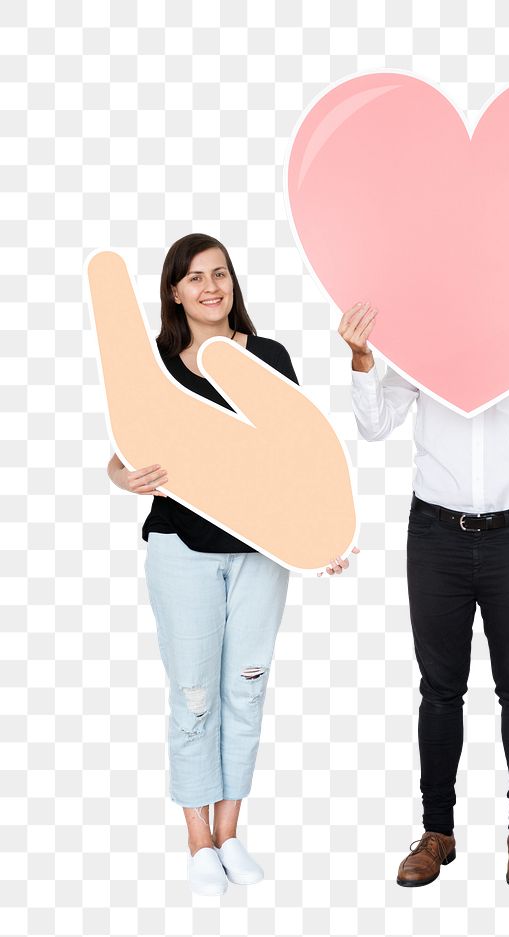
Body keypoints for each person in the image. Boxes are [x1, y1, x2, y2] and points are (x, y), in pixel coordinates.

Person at [106, 233, 351, 896]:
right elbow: (123, 448)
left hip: (261, 553)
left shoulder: (268, 357)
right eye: (194, 278)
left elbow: (301, 458)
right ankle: (197, 840)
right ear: (175, 292)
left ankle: (231, 830)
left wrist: (322, 534)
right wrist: (121, 475)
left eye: (220, 274)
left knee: (245, 689)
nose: (211, 287)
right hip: (181, 551)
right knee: (194, 696)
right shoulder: (156, 362)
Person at [340, 298, 509, 888]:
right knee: (439, 688)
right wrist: (362, 359)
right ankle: (437, 832)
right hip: (437, 536)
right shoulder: (425, 334)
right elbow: (375, 425)